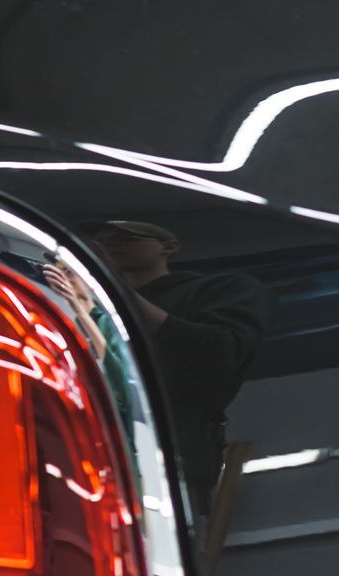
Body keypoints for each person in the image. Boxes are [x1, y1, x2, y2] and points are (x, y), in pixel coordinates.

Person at [87, 220, 275, 515]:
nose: (111, 244)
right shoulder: (90, 304)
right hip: (97, 458)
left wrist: (119, 291)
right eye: (103, 239)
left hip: (174, 459)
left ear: (168, 247)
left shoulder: (220, 289)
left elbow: (215, 354)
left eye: (127, 237)